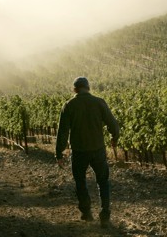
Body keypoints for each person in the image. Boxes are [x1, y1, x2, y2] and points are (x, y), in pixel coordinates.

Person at [56, 76, 120, 228]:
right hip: (98, 149)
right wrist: (114, 138)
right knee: (103, 181)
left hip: (79, 152)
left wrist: (59, 153)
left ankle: (87, 213)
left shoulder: (69, 105)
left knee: (80, 181)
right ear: (88, 88)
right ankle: (105, 214)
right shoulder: (99, 102)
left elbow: (62, 132)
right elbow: (113, 124)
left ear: (74, 89)